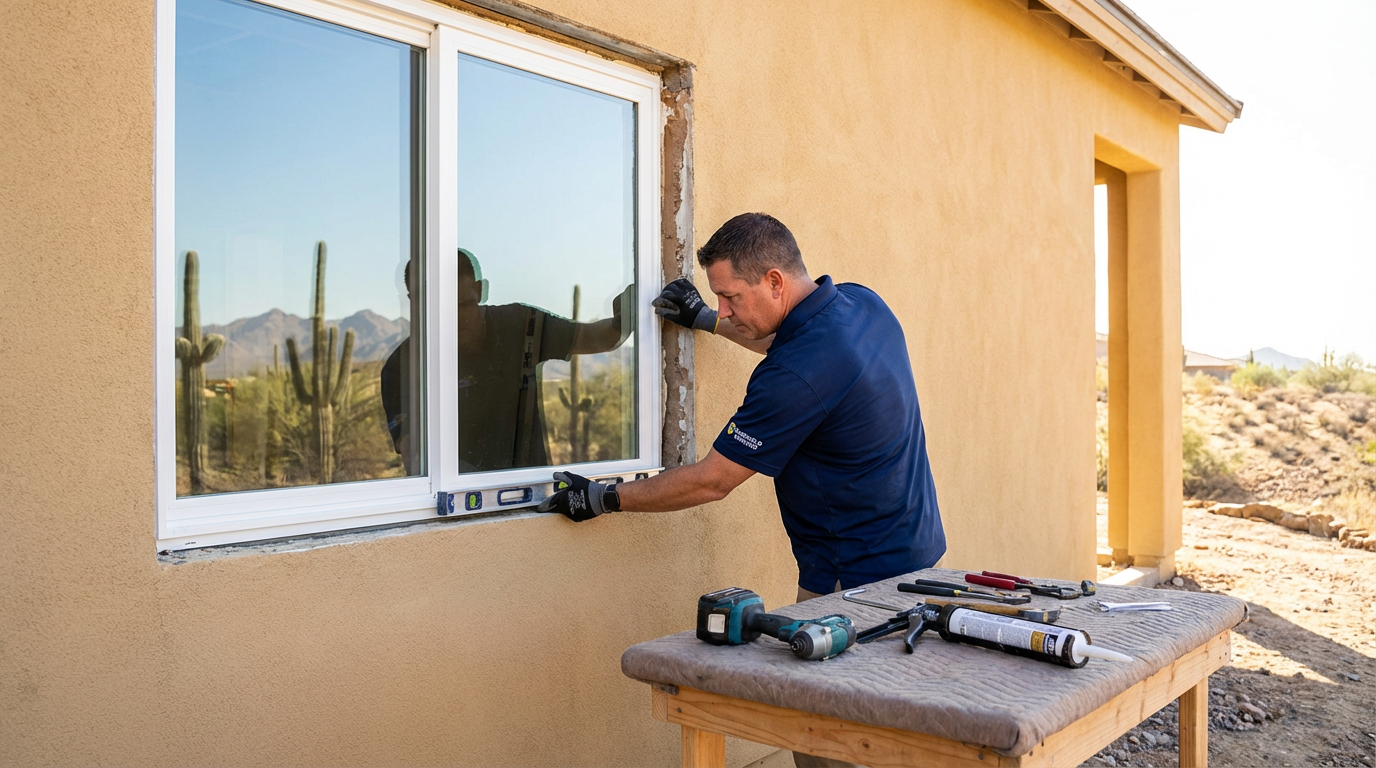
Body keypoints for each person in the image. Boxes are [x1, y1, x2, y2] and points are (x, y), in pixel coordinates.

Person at [538, 212, 945, 599]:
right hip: (919, 549)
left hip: (857, 580)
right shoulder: (862, 304)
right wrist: (704, 318)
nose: (726, 310)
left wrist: (603, 497)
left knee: (820, 671)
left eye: (730, 297)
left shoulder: (790, 377)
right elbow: (792, 343)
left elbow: (712, 481)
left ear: (774, 282)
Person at [382, 249, 633, 473]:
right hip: (459, 505)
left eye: (462, 305)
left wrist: (626, 316)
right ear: (414, 302)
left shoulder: (520, 325)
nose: (452, 318)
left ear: (480, 291)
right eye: (436, 307)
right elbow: (416, 458)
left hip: (533, 493)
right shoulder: (402, 367)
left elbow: (594, 338)